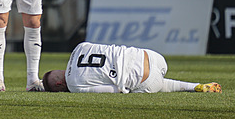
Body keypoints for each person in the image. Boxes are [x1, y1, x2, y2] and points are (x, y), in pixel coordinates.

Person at [42, 41, 222, 94]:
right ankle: (196, 86)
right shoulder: (79, 47)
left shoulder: (74, 87)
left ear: (59, 86)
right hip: (154, 56)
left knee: (133, 85)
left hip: (148, 82)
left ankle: (195, 87)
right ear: (59, 71)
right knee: (146, 75)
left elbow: (115, 90)